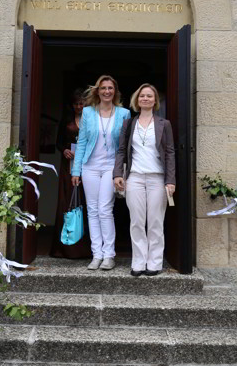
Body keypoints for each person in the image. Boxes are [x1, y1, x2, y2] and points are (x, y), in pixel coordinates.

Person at [113, 84, 175, 277]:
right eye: (142, 96)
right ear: (137, 100)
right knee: (137, 222)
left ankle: (154, 262)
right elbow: (121, 150)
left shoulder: (164, 124)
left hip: (157, 178)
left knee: (156, 221)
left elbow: (170, 153)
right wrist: (117, 174)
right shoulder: (129, 124)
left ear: (155, 101)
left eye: (149, 96)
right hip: (135, 178)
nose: (145, 99)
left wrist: (170, 180)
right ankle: (138, 262)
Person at [71, 75, 130, 271]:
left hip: (111, 168)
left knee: (105, 210)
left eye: (110, 88)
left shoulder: (124, 113)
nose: (107, 91)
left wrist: (123, 171)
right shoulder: (88, 112)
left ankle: (109, 255)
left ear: (115, 91)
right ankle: (96, 254)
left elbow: (126, 145)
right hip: (89, 166)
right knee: (92, 210)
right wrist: (76, 170)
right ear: (98, 91)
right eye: (103, 88)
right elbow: (81, 143)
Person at [50, 89, 91, 259]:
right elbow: (58, 142)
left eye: (81, 103)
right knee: (67, 201)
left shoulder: (91, 119)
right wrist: (65, 150)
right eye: (76, 104)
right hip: (68, 164)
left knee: (87, 201)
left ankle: (86, 248)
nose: (78, 107)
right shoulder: (66, 120)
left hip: (88, 163)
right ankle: (64, 247)